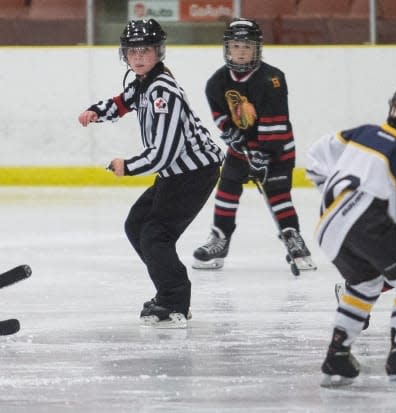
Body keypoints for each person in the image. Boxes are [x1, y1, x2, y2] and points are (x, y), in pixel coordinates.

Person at [78, 19, 223, 328]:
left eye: (146, 50)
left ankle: (174, 300)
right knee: (137, 224)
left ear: (159, 53)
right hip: (178, 173)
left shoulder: (163, 91)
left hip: (194, 173)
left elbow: (164, 154)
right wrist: (96, 112)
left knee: (155, 234)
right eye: (132, 51)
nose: (139, 57)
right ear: (124, 55)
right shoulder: (144, 83)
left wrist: (128, 166)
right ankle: (168, 287)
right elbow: (122, 101)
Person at [307, 84, 396, 387]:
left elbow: (315, 156)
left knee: (365, 284)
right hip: (366, 221)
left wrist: (339, 200)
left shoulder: (364, 132)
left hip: (328, 225)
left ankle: (338, 356)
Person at [192, 18, 316, 272]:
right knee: (226, 189)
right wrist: (230, 133)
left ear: (257, 48)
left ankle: (292, 237)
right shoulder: (216, 82)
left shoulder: (272, 79)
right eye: (235, 46)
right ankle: (220, 238)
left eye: (246, 47)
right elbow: (221, 115)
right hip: (241, 150)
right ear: (227, 48)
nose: (240, 52)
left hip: (277, 149)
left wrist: (263, 155)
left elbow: (275, 123)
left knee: (278, 194)